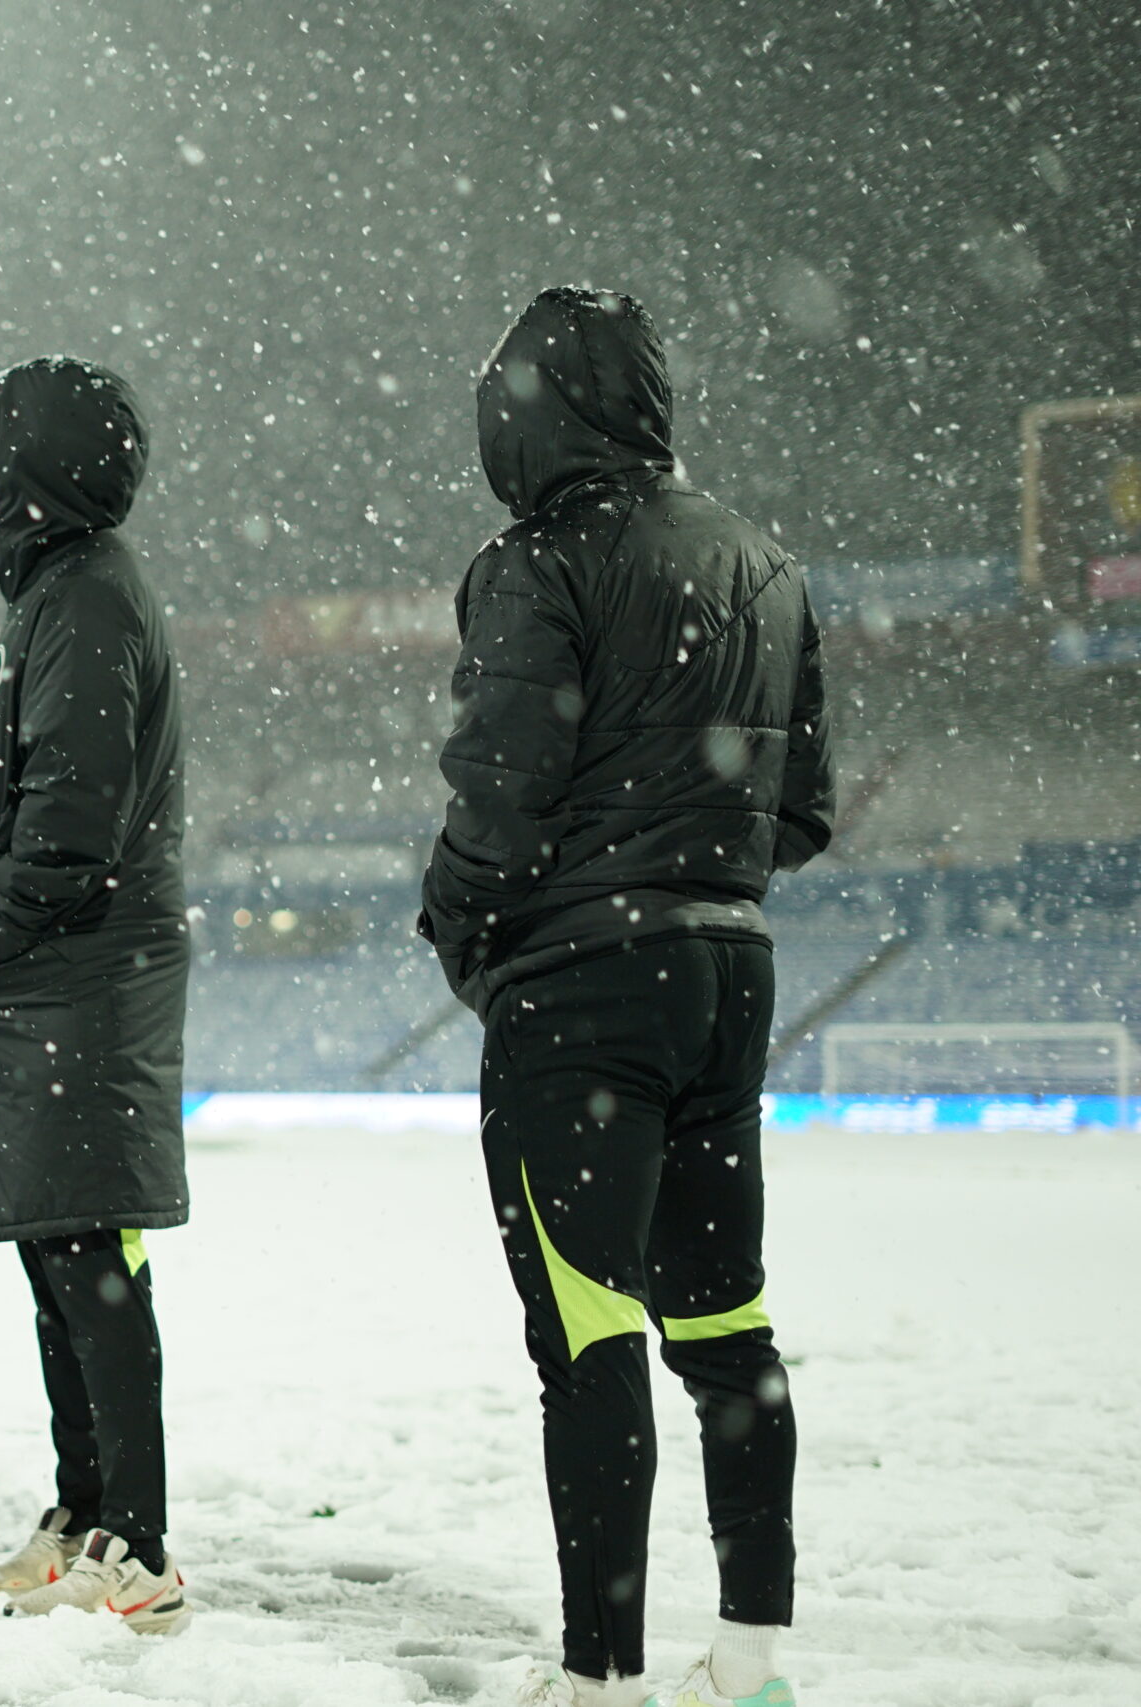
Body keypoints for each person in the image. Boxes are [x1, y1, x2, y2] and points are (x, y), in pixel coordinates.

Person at [418, 287, 834, 1707]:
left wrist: (470, 925)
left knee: (589, 1330)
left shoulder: (537, 559)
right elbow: (805, 806)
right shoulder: (767, 561)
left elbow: (502, 786)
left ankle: (600, 1677)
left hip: (583, 990)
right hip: (730, 967)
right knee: (726, 1322)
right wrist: (690, 874)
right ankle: (755, 1658)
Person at [0, 357, 192, 1636]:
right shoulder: (63, 593)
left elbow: (69, 825)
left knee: (90, 1260)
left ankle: (134, 1543)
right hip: (51, 983)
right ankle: (86, 1512)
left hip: (73, 983)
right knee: (60, 1253)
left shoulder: (86, 598)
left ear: (27, 466)